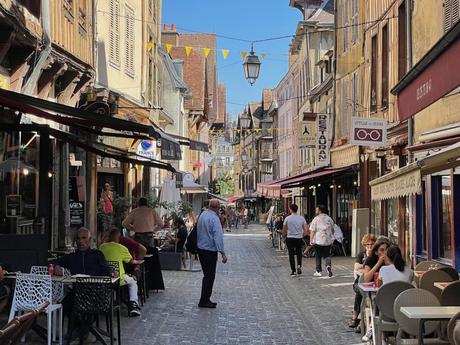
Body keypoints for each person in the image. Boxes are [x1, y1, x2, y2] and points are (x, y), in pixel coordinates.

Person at [100, 227, 142, 317]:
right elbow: (130, 261)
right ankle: (133, 304)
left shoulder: (102, 247)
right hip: (119, 279)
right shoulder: (121, 248)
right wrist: (138, 262)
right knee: (133, 281)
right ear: (118, 237)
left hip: (104, 279)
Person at [197, 199, 228, 308]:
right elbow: (218, 237)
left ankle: (204, 298)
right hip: (209, 250)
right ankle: (204, 300)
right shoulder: (214, 219)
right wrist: (222, 253)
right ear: (218, 208)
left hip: (201, 249)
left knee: (207, 275)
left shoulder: (203, 215)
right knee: (209, 276)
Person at [361, 237, 391, 342]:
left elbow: (395, 272)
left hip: (390, 290)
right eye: (381, 250)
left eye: (386, 250)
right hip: (374, 290)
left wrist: (388, 262)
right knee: (376, 301)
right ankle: (371, 327)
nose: (384, 252)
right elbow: (366, 278)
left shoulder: (392, 259)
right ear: (376, 252)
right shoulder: (371, 259)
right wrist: (378, 263)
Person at [348, 234, 377, 329]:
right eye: (367, 244)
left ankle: (357, 318)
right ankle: (360, 320)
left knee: (362, 294)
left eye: (371, 244)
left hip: (371, 283)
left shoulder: (377, 256)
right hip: (359, 282)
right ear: (364, 245)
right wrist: (367, 261)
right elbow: (356, 266)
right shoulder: (362, 254)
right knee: (362, 291)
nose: (369, 246)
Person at [282, 204, 308, 276]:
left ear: (290, 209)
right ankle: (299, 266)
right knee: (299, 253)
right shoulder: (301, 218)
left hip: (290, 238)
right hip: (298, 238)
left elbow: (284, 229)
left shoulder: (287, 218)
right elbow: (306, 229)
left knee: (291, 254)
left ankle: (293, 270)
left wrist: (283, 237)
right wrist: (302, 235)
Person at [309, 205, 335, 277]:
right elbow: (333, 229)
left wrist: (311, 240)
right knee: (327, 255)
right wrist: (331, 236)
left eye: (316, 210)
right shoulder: (329, 218)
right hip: (328, 240)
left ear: (320, 210)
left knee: (318, 255)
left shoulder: (316, 219)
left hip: (318, 240)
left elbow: (312, 230)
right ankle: (328, 266)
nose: (316, 211)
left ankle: (318, 270)